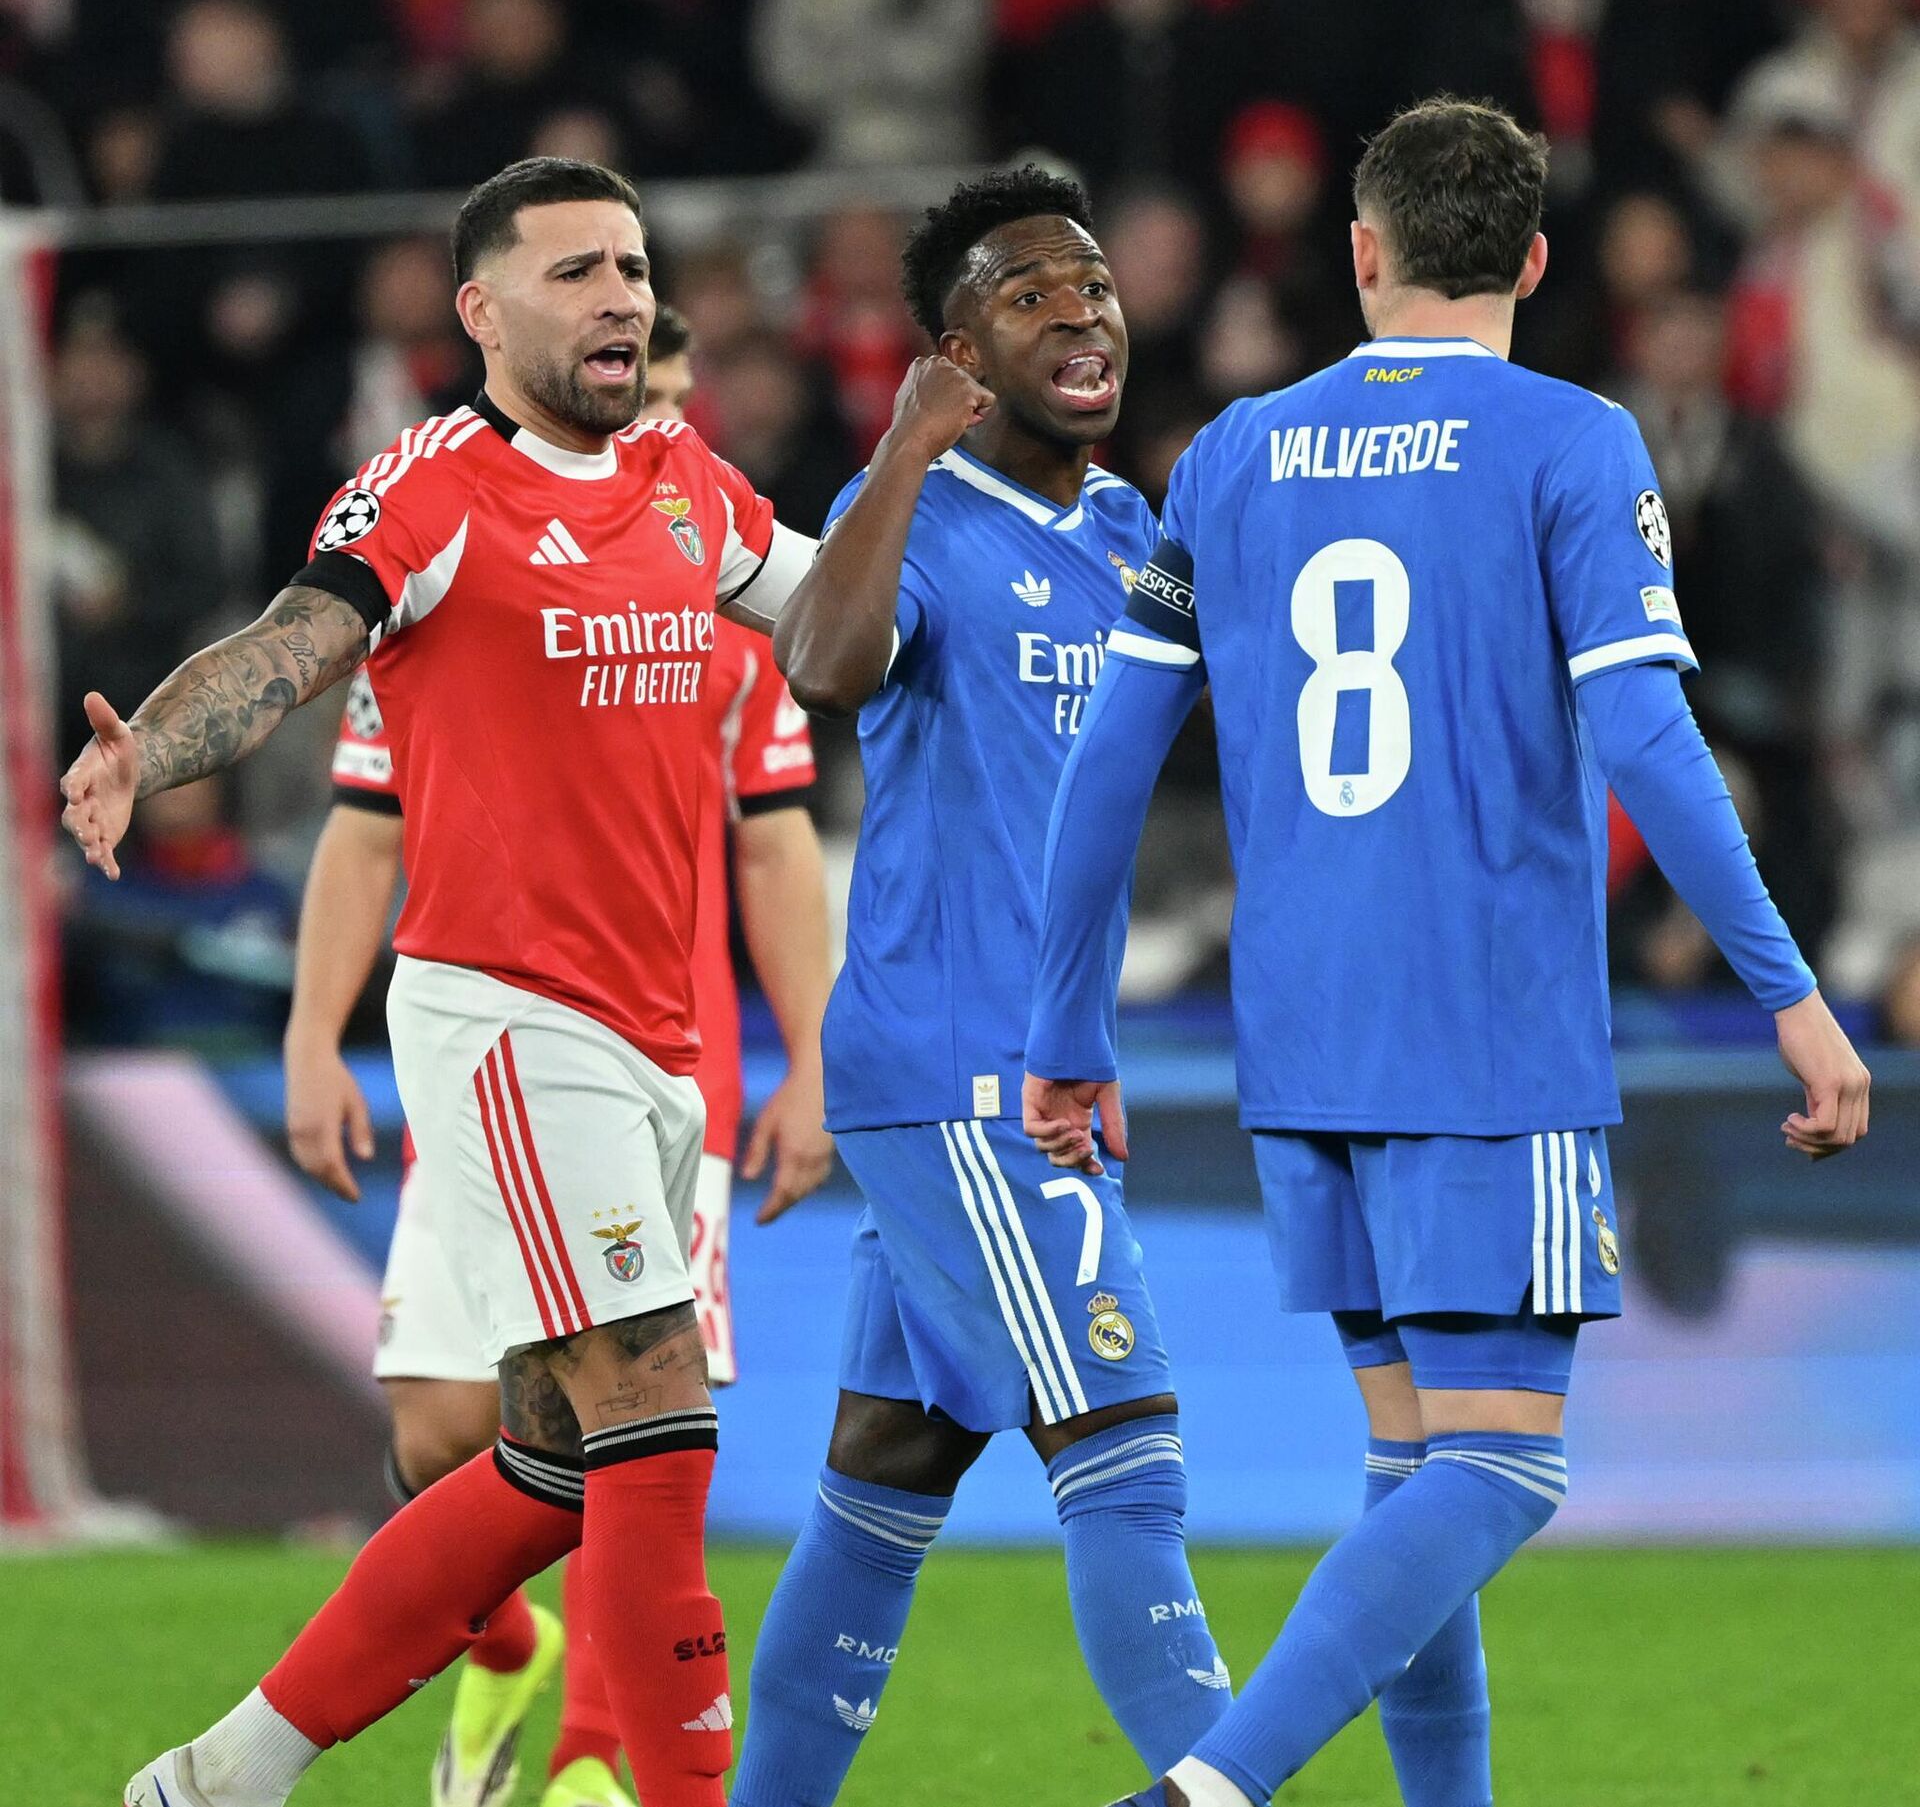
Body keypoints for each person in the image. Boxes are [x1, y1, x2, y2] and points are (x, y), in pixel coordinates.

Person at [1020, 98, 1872, 1807]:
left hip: (1302, 1038)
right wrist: (1792, 992)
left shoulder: (1233, 454)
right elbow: (1648, 738)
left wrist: (1065, 1028)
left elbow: (1108, 760)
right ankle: (1205, 1789)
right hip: (1486, 1032)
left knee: (1416, 1464)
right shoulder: (1574, 441)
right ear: (1535, 260)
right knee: (1502, 1468)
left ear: (1362, 252)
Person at [65, 155, 819, 1807]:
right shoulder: (428, 490)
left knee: (549, 1463)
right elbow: (291, 641)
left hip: (659, 1035)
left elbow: (832, 611)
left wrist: (928, 476)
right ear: (480, 310)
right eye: (577, 271)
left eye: (633, 266)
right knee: (656, 1406)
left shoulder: (683, 480)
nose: (621, 296)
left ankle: (218, 1777)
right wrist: (152, 751)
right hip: (509, 1013)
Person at [281, 306, 833, 1807]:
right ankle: (487, 1642)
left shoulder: (725, 594)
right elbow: (366, 827)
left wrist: (814, 1055)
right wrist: (314, 1033)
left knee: (636, 1432)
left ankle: (595, 1764)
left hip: (669, 1068)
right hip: (496, 1051)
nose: (648, 424)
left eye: (669, 397)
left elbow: (776, 846)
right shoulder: (450, 581)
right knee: (446, 1427)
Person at [731, 168, 1232, 1807]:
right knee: (1124, 1448)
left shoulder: (1135, 534)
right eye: (1030, 294)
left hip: (1034, 1064)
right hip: (959, 1067)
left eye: (1094, 286)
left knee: (883, 1478)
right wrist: (900, 449)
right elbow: (821, 666)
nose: (1082, 313)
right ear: (956, 352)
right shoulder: (923, 516)